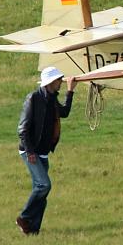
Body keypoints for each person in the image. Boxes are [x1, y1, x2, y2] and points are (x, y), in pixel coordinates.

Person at [16, 66, 76, 236]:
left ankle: (32, 230)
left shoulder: (51, 98)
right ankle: (24, 217)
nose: (60, 83)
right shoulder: (33, 98)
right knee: (44, 185)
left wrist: (70, 92)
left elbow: (64, 113)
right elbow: (22, 129)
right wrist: (30, 152)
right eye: (59, 80)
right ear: (50, 82)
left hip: (42, 152)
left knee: (41, 193)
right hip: (30, 151)